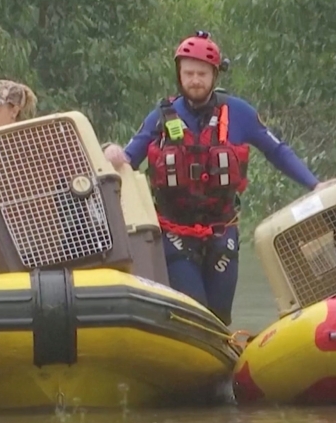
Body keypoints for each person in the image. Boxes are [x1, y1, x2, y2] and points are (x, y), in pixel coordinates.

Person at [103, 31, 323, 327]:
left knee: (220, 315)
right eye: (188, 73)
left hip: (222, 231)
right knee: (196, 311)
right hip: (175, 233)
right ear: (179, 75)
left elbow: (277, 151)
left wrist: (315, 185)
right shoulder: (161, 116)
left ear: (215, 75)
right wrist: (112, 151)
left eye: (202, 74)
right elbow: (128, 157)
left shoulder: (239, 112)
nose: (195, 80)